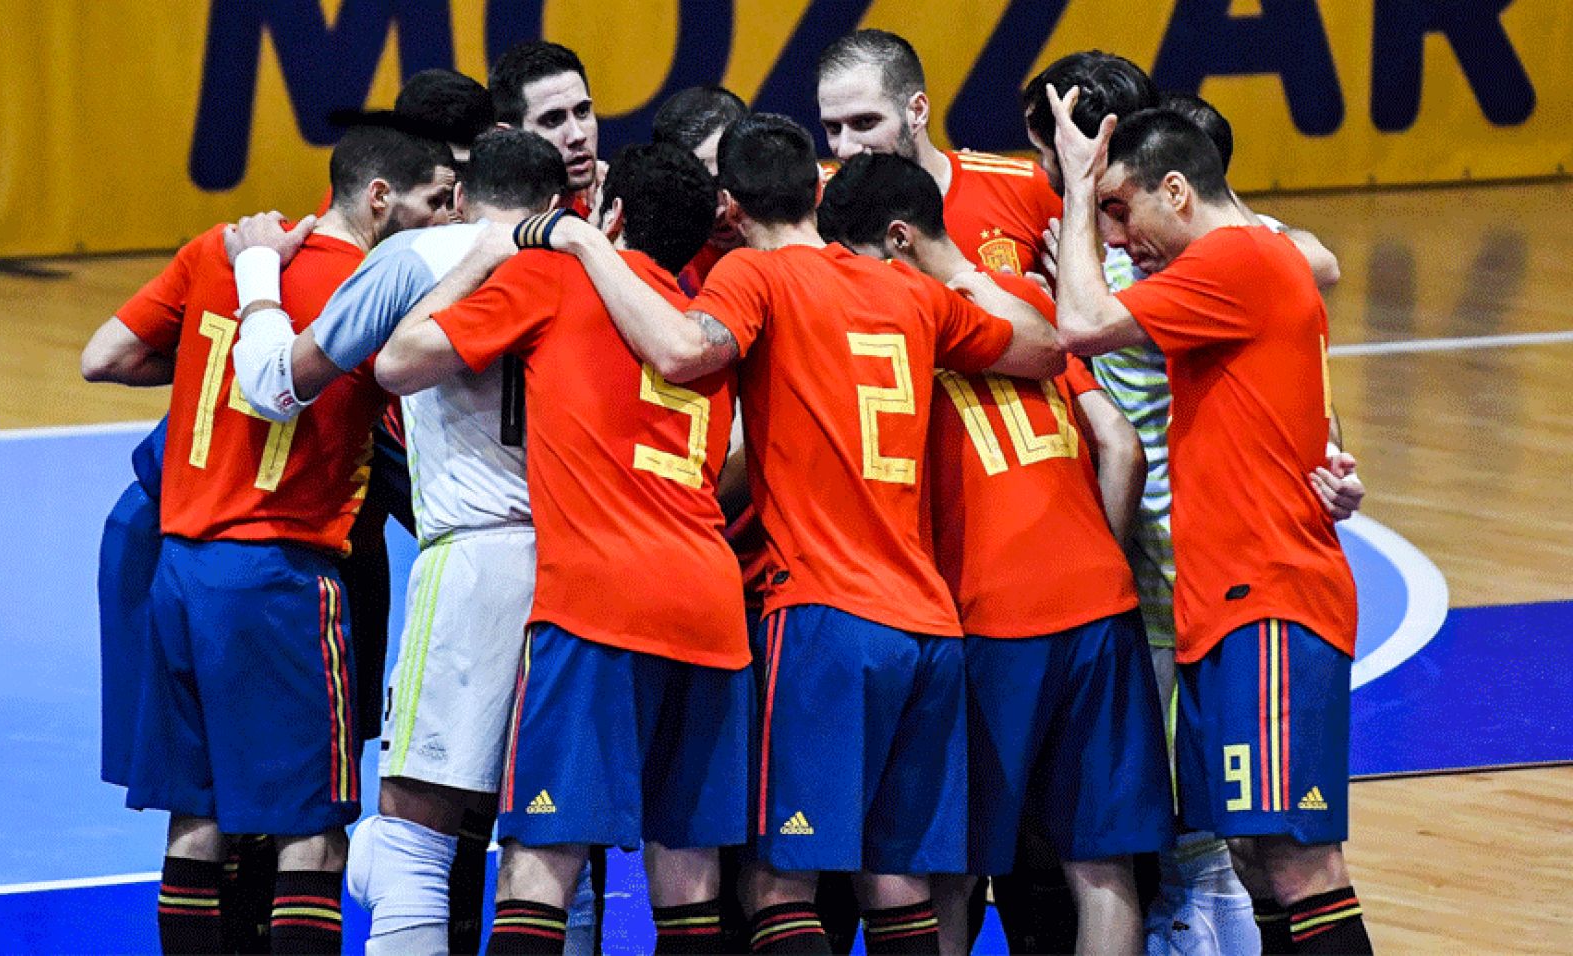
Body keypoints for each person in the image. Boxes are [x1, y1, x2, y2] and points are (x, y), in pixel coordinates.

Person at [533, 111, 1064, 954]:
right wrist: (957, 268)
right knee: (897, 884)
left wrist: (587, 244)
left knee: (779, 882)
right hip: (927, 629)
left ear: (732, 209)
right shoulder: (912, 293)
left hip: (823, 616)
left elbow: (679, 352)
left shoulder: (755, 277)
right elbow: (1045, 349)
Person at [79, 123, 454, 954]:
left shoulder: (222, 249)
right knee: (311, 832)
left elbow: (101, 357)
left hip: (177, 571)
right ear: (381, 197)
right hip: (279, 579)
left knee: (198, 816)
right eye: (435, 202)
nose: (444, 220)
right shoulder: (372, 291)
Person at [1023, 50, 1364, 956]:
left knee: (1299, 865)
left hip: (1272, 600)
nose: (1122, 237)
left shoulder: (1239, 258)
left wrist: (1079, 186)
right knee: (1257, 862)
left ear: (1176, 191)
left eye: (1124, 213)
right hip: (1220, 604)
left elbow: (1082, 324)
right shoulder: (1242, 267)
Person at [375, 141, 748, 956]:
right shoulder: (703, 328)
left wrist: (483, 254)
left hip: (598, 605)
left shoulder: (557, 276)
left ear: (609, 214)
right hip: (713, 608)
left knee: (540, 865)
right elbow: (729, 468)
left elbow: (398, 363)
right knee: (689, 881)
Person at [227, 128, 571, 956]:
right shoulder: (592, 261)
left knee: (410, 840)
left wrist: (258, 275)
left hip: (471, 561)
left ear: (459, 196)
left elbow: (276, 386)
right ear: (557, 203)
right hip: (579, 565)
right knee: (551, 846)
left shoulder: (418, 257)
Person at [820, 151, 1174, 954]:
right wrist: (1097, 563)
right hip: (1100, 604)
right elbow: (1121, 445)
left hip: (988, 618)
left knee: (948, 871)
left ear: (898, 240)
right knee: (1103, 868)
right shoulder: (1024, 298)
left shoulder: (895, 324)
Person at [815, 29, 1061, 275]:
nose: (845, 148)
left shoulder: (1026, 188)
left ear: (917, 111)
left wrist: (1031, 307)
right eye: (833, 128)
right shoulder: (809, 206)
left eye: (865, 122)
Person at [652, 84, 750, 296]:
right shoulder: (658, 269)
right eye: (695, 188)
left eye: (723, 179)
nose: (718, 210)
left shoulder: (820, 219)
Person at [490, 41, 601, 214]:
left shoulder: (612, 207)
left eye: (582, 111)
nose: (577, 135)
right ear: (508, 138)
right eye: (553, 120)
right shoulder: (489, 232)